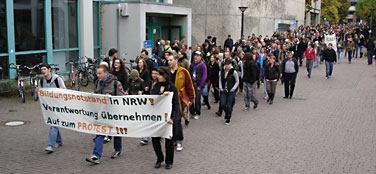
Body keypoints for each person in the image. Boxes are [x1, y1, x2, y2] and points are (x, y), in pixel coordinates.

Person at [86, 64, 125, 164]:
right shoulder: (98, 83)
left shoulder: (116, 83)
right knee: (100, 132)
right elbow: (96, 93)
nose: (97, 75)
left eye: (99, 73)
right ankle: (96, 155)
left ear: (106, 73)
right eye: (97, 73)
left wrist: (111, 98)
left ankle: (118, 149)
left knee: (116, 132)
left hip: (114, 113)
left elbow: (122, 97)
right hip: (102, 112)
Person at [151, 66, 179, 170]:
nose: (158, 76)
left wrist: (173, 118)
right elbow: (152, 99)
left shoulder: (172, 87)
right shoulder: (156, 86)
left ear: (165, 76)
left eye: (160, 74)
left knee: (169, 141)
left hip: (168, 119)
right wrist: (161, 95)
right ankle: (159, 158)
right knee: (155, 139)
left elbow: (176, 104)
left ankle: (169, 161)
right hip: (158, 118)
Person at [167, 53, 195, 151]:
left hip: (178, 99)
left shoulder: (183, 72)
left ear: (176, 60)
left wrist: (191, 98)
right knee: (169, 120)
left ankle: (179, 140)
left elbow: (189, 85)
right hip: (167, 100)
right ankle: (172, 138)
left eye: (171, 60)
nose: (169, 62)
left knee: (177, 120)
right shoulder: (166, 71)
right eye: (168, 60)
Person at [39, 63, 66, 153]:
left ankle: (51, 145)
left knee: (53, 124)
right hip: (49, 106)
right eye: (41, 70)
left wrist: (61, 91)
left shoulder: (57, 79)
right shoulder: (41, 81)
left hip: (58, 105)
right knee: (54, 123)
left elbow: (65, 91)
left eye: (44, 69)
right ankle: (59, 140)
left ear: (49, 69)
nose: (43, 71)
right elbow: (40, 92)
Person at [218, 59, 239, 125]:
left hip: (231, 91)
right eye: (226, 64)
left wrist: (233, 89)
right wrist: (220, 87)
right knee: (222, 104)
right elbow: (220, 80)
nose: (227, 66)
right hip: (223, 90)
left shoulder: (233, 72)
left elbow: (237, 81)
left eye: (228, 64)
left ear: (231, 65)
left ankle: (228, 118)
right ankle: (227, 113)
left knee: (229, 105)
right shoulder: (222, 71)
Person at [188, 51, 207, 120]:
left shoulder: (203, 65)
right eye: (195, 55)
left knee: (197, 99)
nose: (195, 57)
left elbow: (204, 76)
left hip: (198, 85)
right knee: (191, 98)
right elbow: (189, 73)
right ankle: (192, 112)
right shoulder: (192, 65)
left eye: (197, 56)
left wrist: (200, 86)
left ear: (200, 57)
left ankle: (198, 112)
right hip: (192, 84)